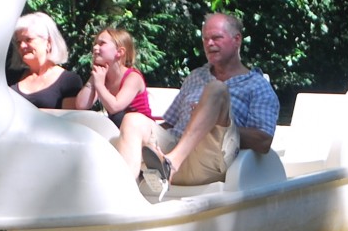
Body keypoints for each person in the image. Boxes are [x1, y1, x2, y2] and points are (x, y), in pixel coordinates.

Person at [116, 12, 278, 199]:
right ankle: (122, 198)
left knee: (216, 90)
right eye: (205, 39)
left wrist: (210, 121)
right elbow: (169, 124)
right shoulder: (196, 76)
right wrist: (147, 140)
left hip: (210, 159)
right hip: (172, 149)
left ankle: (171, 164)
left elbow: (264, 141)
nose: (209, 44)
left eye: (216, 37)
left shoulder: (257, 86)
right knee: (133, 120)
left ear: (237, 40)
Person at [72, 26, 153, 125]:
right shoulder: (102, 76)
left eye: (102, 44)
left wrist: (100, 85)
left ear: (119, 52)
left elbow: (115, 107)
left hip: (143, 131)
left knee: (118, 116)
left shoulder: (133, 77)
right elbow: (81, 105)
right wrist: (94, 78)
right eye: (95, 44)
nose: (95, 48)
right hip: (120, 128)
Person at [8, 11, 84, 108]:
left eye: (28, 39)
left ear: (48, 42)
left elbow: (68, 120)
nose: (22, 46)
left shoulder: (69, 81)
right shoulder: (13, 77)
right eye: (19, 42)